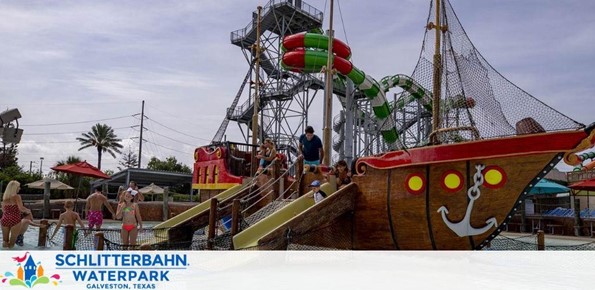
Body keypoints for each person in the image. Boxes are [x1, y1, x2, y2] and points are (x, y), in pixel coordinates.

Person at [1, 180, 43, 248]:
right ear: (15, 188)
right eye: (18, 187)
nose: (19, 188)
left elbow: (3, 210)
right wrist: (28, 211)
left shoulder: (5, 198)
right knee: (12, 243)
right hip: (15, 219)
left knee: (5, 241)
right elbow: (21, 208)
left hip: (4, 219)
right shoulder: (17, 196)